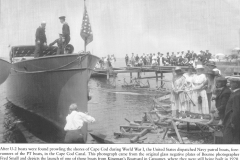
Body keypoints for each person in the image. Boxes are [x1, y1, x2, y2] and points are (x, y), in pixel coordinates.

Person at [222, 76, 240, 144]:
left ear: (237, 84)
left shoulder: (237, 95)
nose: (230, 84)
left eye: (232, 83)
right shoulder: (235, 93)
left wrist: (233, 122)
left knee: (229, 138)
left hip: (231, 120)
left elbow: (236, 110)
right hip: (230, 120)